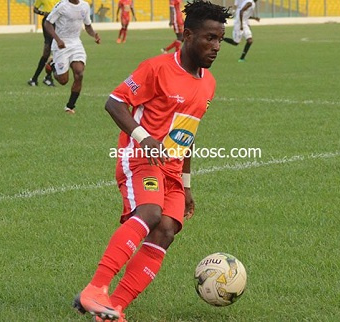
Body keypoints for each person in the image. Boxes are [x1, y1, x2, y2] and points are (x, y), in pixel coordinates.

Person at [71, 1, 230, 321]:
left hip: (172, 171)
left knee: (167, 229)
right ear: (187, 35)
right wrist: (145, 139)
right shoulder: (157, 68)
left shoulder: (208, 84)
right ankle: (95, 289)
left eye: (220, 40)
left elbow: (188, 137)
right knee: (150, 212)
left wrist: (186, 186)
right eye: (209, 38)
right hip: (141, 159)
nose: (215, 47)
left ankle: (112, 308)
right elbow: (114, 103)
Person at [44, 0, 101, 114]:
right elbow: (47, 23)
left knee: (79, 73)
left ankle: (70, 106)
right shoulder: (62, 6)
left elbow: (88, 26)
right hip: (61, 45)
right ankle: (52, 65)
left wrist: (94, 35)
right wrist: (58, 39)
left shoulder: (84, 6)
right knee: (63, 80)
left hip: (76, 44)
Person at [27, 0, 58, 87]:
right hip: (48, 22)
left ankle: (42, 78)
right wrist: (43, 13)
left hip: (59, 22)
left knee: (55, 50)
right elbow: (35, 9)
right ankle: (39, 78)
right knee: (48, 49)